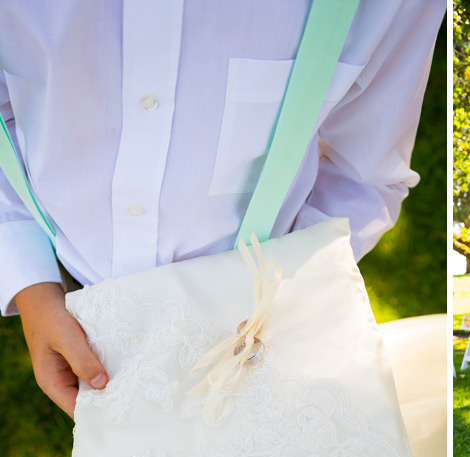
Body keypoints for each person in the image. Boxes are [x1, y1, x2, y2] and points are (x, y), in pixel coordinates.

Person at [0, 1, 446, 418]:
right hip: (88, 321)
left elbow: (363, 175)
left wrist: (285, 300)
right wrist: (33, 290)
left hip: (258, 334)